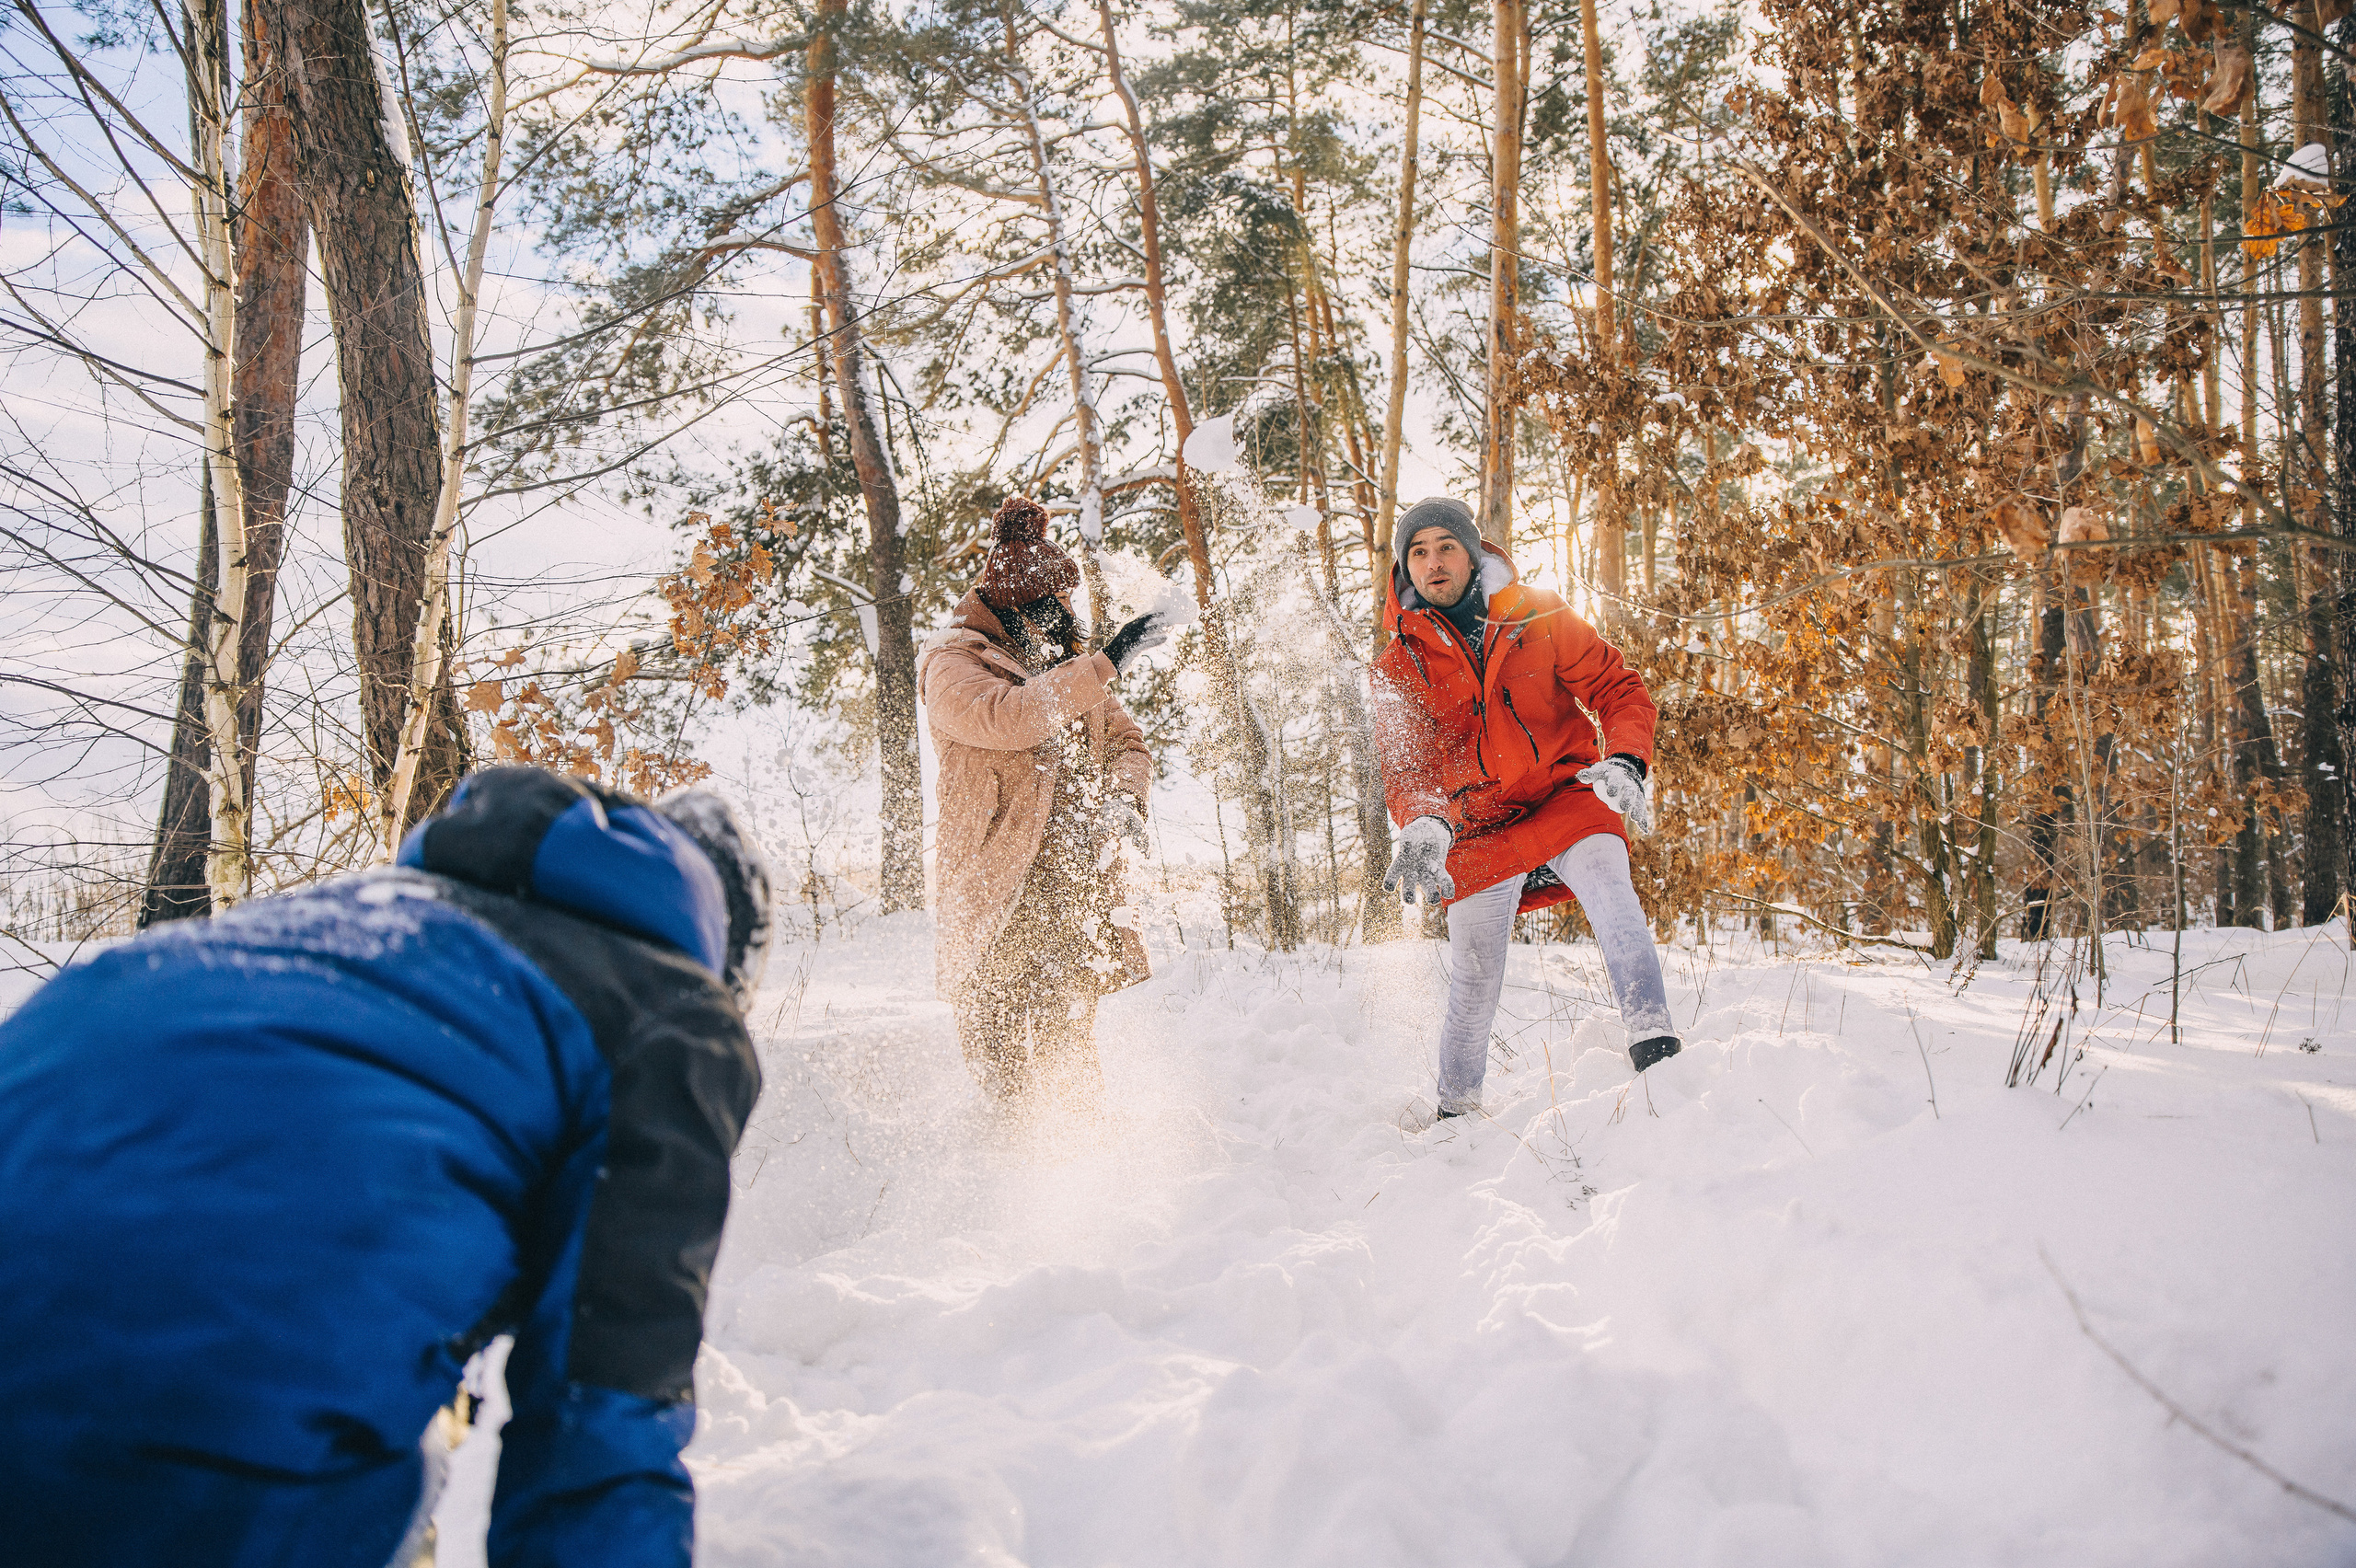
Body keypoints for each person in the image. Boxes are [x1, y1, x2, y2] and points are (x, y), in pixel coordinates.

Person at [0, 766, 772, 1568]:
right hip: (206, 1407)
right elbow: (604, 1414)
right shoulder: (668, 1013)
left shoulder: (353, 919)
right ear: (722, 953)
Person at [1369, 496, 1679, 1118]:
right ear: (1406, 568)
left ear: (1473, 552)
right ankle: (1456, 1111)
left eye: (1446, 547)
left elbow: (1618, 688)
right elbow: (1407, 770)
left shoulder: (1538, 615)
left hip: (1564, 799)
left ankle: (1659, 1056)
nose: (1434, 563)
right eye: (1419, 552)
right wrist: (1426, 823)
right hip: (1477, 832)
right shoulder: (1396, 667)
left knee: (1611, 891)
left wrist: (1625, 760)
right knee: (1475, 972)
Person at [921, 495, 1172, 1109]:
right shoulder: (953, 663)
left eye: (1067, 606)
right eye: (1052, 608)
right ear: (1015, 608)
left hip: (1069, 881)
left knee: (1068, 1043)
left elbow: (1128, 746)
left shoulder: (1064, 669)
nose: (1064, 621)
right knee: (998, 1054)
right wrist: (1105, 661)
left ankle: (1083, 1166)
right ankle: (1005, 1169)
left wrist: (1123, 803)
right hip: (994, 887)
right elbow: (1009, 719)